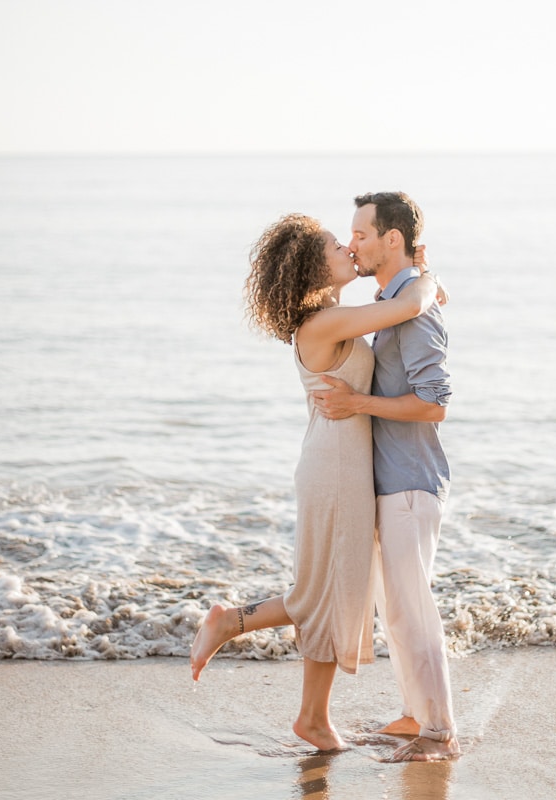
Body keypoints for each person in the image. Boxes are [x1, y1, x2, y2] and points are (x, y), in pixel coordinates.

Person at [189, 212, 440, 753]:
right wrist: (426, 274)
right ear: (311, 267)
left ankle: (312, 717)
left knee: (335, 588)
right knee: (323, 589)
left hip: (343, 464)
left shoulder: (333, 316)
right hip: (334, 469)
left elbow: (408, 312)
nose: (348, 249)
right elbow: (406, 306)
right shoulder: (322, 325)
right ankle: (229, 624)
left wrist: (421, 283)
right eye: (334, 245)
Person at [311, 192, 460, 761]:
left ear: (391, 239)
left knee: (411, 607)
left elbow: (435, 403)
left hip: (411, 482)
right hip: (390, 482)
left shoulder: (416, 309)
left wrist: (357, 405)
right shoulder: (398, 298)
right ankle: (414, 712)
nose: (353, 244)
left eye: (362, 235)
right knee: (395, 609)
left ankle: (439, 731)